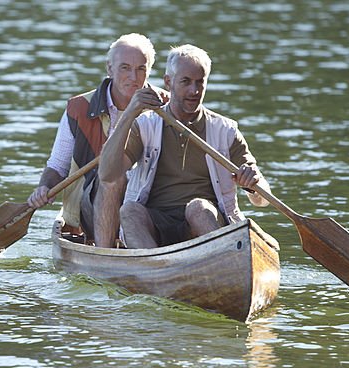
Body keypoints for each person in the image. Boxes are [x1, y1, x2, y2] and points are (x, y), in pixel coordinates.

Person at [95, 44, 270, 249]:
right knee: (129, 211)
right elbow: (107, 175)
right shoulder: (144, 125)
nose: (194, 91)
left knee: (198, 208)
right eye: (186, 82)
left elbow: (262, 199)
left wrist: (252, 186)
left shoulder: (226, 130)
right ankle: (156, 270)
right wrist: (130, 113)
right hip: (156, 227)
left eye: (200, 83)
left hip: (204, 225)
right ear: (168, 82)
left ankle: (223, 258)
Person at [27, 34, 167, 242]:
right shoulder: (78, 108)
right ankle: (105, 253)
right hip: (90, 209)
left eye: (141, 69)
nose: (133, 77)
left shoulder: (166, 106)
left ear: (149, 71)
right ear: (109, 69)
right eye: (125, 68)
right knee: (113, 177)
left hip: (148, 207)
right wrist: (44, 187)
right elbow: (57, 165)